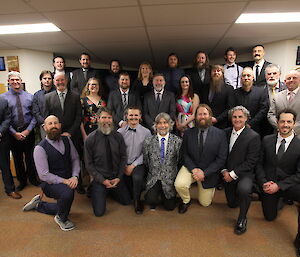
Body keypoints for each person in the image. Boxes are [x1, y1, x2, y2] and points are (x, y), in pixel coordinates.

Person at [22, 115, 79, 231]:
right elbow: (44, 175)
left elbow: (75, 159)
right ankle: (61, 218)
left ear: (60, 126)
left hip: (69, 179)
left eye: (56, 123)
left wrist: (75, 176)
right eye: (50, 124)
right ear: (44, 127)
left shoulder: (67, 140)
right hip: (50, 184)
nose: (53, 126)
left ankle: (39, 205)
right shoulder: (40, 149)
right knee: (67, 194)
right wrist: (65, 181)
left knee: (64, 204)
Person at [256, 109, 300, 256]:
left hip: (289, 184)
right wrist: (263, 182)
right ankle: (279, 201)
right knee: (269, 217)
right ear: (277, 122)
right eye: (282, 121)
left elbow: (299, 174)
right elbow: (259, 164)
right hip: (269, 183)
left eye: (289, 121)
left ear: (294, 123)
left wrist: (280, 186)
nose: (285, 124)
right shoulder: (267, 140)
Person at [175, 104, 227, 213]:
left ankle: (202, 186)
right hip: (191, 167)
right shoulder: (188, 133)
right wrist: (194, 169)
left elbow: (221, 159)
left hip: (208, 172)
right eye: (199, 114)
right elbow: (184, 154)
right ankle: (186, 200)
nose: (202, 117)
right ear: (195, 117)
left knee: (205, 203)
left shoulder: (220, 134)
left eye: (205, 114)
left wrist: (205, 173)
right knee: (179, 184)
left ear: (210, 116)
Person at [84, 107, 131, 217]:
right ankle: (96, 189)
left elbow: (123, 157)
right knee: (99, 213)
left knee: (127, 201)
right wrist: (102, 180)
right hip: (100, 179)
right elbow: (89, 164)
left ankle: (109, 191)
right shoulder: (90, 139)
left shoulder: (118, 136)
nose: (106, 120)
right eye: (104, 117)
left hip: (115, 177)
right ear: (98, 119)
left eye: (109, 118)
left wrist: (119, 177)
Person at [222, 106, 260, 235]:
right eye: (234, 117)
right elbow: (220, 155)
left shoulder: (253, 136)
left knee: (244, 189)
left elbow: (251, 161)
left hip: (244, 173)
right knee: (232, 204)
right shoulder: (225, 133)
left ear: (246, 118)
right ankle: (241, 199)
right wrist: (224, 171)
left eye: (240, 117)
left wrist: (233, 174)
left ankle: (242, 218)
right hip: (227, 172)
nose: (237, 119)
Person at [45, 73, 84, 194]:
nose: (60, 82)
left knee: (76, 158)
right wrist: (56, 133)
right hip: (55, 135)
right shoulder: (48, 97)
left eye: (62, 80)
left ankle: (79, 182)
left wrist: (70, 133)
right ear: (54, 82)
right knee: (60, 160)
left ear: (66, 81)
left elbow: (78, 117)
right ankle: (62, 184)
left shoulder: (76, 96)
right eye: (57, 80)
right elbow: (47, 118)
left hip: (73, 135)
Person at [2, 71, 39, 191]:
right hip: (12, 133)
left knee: (30, 157)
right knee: (18, 159)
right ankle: (22, 181)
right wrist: (14, 133)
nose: (15, 82)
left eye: (17, 79)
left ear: (21, 81)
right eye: (12, 80)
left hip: (28, 131)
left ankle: (33, 178)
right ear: (8, 82)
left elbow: (34, 115)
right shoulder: (2, 98)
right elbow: (3, 119)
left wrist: (28, 131)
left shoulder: (30, 96)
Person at [143, 112, 182, 211]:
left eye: (165, 122)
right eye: (159, 123)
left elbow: (178, 161)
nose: (162, 126)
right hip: (154, 177)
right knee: (150, 200)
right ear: (155, 125)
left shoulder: (177, 141)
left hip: (169, 178)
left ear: (170, 124)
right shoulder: (148, 141)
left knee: (169, 207)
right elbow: (146, 161)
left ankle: (166, 195)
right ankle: (156, 193)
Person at [117, 107, 151, 214]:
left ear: (140, 117)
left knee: (137, 177)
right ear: (126, 116)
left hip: (138, 163)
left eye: (136, 115)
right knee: (124, 199)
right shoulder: (120, 132)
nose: (133, 117)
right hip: (123, 163)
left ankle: (137, 201)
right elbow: (118, 152)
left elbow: (146, 153)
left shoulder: (146, 132)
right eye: (131, 115)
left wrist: (133, 165)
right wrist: (124, 165)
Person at [229, 67, 269, 135]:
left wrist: (251, 124)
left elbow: (263, 110)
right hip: (237, 128)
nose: (246, 78)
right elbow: (231, 109)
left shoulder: (261, 92)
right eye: (244, 75)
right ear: (241, 78)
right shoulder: (234, 93)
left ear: (253, 77)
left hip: (256, 129)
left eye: (248, 75)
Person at [0, 96, 21, 199]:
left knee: (5, 165)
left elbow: (7, 119)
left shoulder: (3, 101)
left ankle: (10, 189)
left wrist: (0, 132)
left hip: (2, 138)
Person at [268, 69, 300, 137]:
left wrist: (292, 129)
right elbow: (271, 114)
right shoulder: (277, 96)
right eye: (289, 78)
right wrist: (280, 126)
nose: (291, 80)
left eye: (294, 78)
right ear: (285, 81)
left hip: (298, 135)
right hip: (279, 135)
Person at [261, 64, 286, 136]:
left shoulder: (286, 88)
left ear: (279, 74)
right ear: (265, 76)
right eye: (269, 74)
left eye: (274, 73)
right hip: (264, 127)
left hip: (283, 126)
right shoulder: (260, 90)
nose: (271, 76)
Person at [206, 64, 233, 129]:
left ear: (222, 74)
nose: (216, 73)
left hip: (222, 125)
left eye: (218, 71)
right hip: (206, 123)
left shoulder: (229, 88)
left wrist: (217, 119)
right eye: (214, 71)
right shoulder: (204, 88)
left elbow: (230, 108)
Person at [32, 70, 55, 139]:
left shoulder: (57, 93)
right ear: (41, 80)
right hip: (43, 126)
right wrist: (44, 124)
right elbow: (36, 112)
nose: (47, 80)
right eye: (45, 78)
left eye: (49, 78)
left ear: (52, 80)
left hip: (56, 125)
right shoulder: (37, 95)